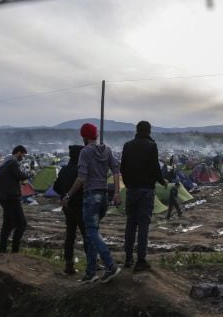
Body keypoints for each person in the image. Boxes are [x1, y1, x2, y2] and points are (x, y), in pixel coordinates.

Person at [62, 123, 122, 284]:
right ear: (95, 135)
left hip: (91, 197)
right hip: (104, 197)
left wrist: (68, 194)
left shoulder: (85, 152)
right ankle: (90, 272)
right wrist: (116, 192)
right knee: (90, 234)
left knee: (92, 232)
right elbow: (116, 170)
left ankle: (110, 265)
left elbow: (81, 177)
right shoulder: (107, 150)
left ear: (84, 137)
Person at [120, 121, 168, 271]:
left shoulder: (127, 145)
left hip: (131, 190)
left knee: (130, 224)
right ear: (149, 131)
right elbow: (155, 168)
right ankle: (141, 260)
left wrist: (128, 184)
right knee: (143, 225)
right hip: (146, 190)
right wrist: (162, 181)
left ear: (137, 130)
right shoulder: (151, 146)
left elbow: (122, 168)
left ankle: (128, 258)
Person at [53, 145, 88, 275]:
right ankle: (92, 264)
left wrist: (64, 195)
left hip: (68, 207)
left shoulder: (63, 170)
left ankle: (69, 265)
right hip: (81, 206)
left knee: (70, 236)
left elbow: (56, 187)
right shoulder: (81, 171)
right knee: (87, 235)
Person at [0, 145, 32, 254]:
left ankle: (5, 250)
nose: (23, 157)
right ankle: (12, 250)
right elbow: (20, 175)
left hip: (7, 196)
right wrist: (30, 174)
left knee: (11, 223)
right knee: (18, 224)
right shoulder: (13, 162)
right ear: (18, 152)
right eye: (23, 154)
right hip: (10, 197)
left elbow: (14, 177)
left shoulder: (5, 163)